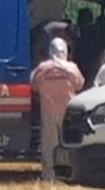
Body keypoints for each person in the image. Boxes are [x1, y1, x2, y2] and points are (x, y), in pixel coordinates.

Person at [31, 38, 85, 181]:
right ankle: (66, 174)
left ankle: (49, 175)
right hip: (67, 112)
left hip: (48, 110)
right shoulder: (72, 68)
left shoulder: (42, 68)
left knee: (49, 143)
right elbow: (80, 85)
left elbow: (34, 85)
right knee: (66, 143)